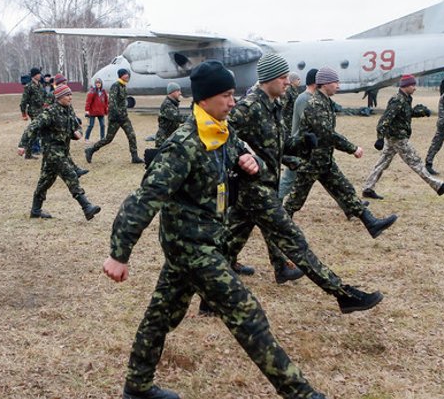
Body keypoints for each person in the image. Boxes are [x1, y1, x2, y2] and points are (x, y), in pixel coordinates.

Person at [103, 60, 334, 399]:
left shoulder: (221, 131)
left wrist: (248, 162)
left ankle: (137, 388)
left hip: (205, 240)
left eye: (233, 94)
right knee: (247, 314)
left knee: (162, 316)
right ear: (206, 98)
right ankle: (301, 393)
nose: (232, 101)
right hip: (192, 246)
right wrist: (118, 254)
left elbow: (245, 155)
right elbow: (144, 199)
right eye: (226, 95)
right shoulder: (184, 145)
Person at [225, 55, 385, 308]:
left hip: (263, 187)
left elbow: (279, 144)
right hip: (254, 189)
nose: (288, 82)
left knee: (227, 243)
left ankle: (208, 298)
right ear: (268, 79)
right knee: (295, 241)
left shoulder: (274, 104)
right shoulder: (248, 107)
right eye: (283, 78)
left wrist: (301, 142)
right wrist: (243, 156)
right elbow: (220, 135)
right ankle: (343, 295)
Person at [284, 67, 398, 238]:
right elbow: (327, 134)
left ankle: (371, 223)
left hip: (324, 160)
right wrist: (352, 148)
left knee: (346, 189)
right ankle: (279, 227)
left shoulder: (326, 102)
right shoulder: (314, 105)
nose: (338, 85)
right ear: (325, 84)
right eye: (335, 82)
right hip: (310, 161)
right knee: (295, 200)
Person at [362, 75, 444, 200]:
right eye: (413, 85)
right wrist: (379, 137)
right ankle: (438, 186)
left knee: (382, 163)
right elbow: (385, 119)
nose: (415, 88)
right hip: (398, 137)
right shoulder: (397, 100)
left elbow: (405, 115)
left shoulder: (405, 99)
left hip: (395, 137)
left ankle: (368, 188)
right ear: (406, 86)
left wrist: (420, 112)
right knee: (415, 161)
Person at [17, 83, 101, 220]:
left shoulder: (68, 110)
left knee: (45, 182)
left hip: (63, 152)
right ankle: (87, 207)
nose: (70, 97)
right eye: (67, 95)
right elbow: (33, 127)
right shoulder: (50, 113)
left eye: (71, 94)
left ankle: (35, 211)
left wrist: (78, 133)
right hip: (53, 153)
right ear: (60, 97)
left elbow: (77, 126)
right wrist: (22, 145)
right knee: (71, 175)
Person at [85, 68, 141, 164]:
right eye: (125, 74)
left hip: (124, 117)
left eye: (127, 74)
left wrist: (124, 115)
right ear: (121, 76)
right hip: (115, 118)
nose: (127, 76)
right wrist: (118, 115)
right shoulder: (116, 86)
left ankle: (134, 157)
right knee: (108, 139)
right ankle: (91, 150)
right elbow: (112, 103)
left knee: (132, 135)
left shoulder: (123, 86)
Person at [278, 68, 319, 200]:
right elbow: (305, 121)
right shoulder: (302, 97)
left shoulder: (308, 96)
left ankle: (353, 207)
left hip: (308, 144)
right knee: (289, 179)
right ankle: (275, 202)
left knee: (330, 178)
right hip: (298, 144)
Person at [20, 67, 49, 158]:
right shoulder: (29, 86)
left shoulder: (40, 85)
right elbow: (23, 101)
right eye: (38, 74)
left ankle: (33, 150)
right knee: (36, 130)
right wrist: (23, 114)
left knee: (38, 131)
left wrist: (47, 104)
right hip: (33, 111)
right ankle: (35, 149)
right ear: (34, 75)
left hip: (41, 111)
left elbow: (45, 96)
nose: (40, 75)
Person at [155, 82, 183, 147]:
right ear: (172, 92)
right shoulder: (167, 104)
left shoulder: (173, 103)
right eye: (178, 91)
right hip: (164, 139)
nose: (180, 93)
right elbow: (178, 118)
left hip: (171, 137)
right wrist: (192, 117)